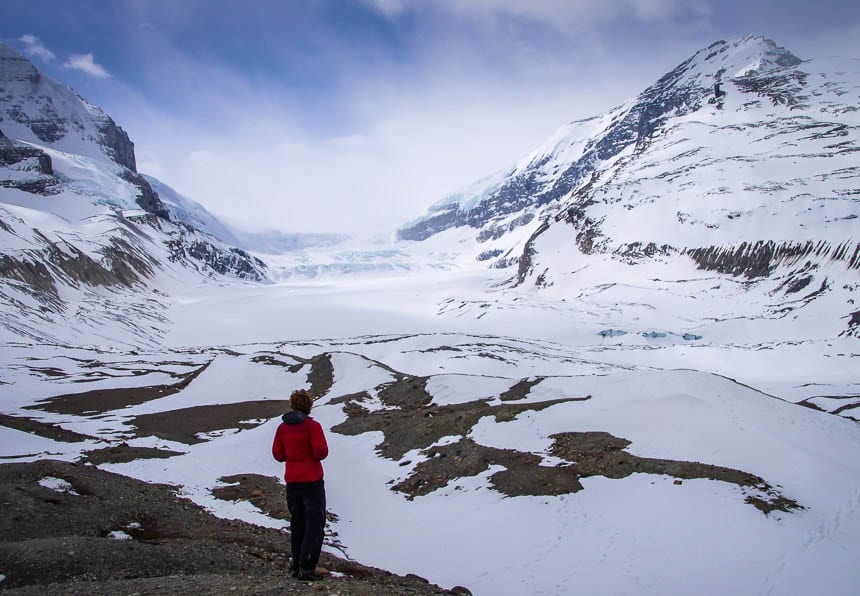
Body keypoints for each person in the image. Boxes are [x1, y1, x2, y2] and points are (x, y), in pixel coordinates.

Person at [272, 388, 329, 581]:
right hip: (312, 481)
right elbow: (321, 452)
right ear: (309, 406)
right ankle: (307, 567)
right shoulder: (312, 426)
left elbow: (278, 455)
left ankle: (295, 566)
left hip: (292, 482)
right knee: (315, 525)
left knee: (297, 524)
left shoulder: (282, 428)